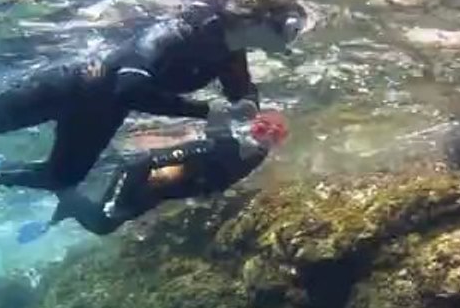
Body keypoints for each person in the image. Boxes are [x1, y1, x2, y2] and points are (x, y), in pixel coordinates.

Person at [0, 0, 306, 192]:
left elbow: (241, 91)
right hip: (71, 85)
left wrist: (254, 111)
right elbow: (129, 88)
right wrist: (204, 112)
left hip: (101, 110)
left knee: (63, 179)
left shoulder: (231, 52)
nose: (293, 39)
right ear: (259, 20)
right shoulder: (182, 30)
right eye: (290, 28)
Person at [16, 103, 289, 242]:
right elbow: (138, 164)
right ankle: (54, 189)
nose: (263, 139)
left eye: (271, 136)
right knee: (99, 217)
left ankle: (54, 203)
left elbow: (218, 127)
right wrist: (117, 204)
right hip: (139, 187)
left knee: (98, 217)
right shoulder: (218, 149)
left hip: (148, 191)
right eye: (262, 130)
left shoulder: (237, 153)